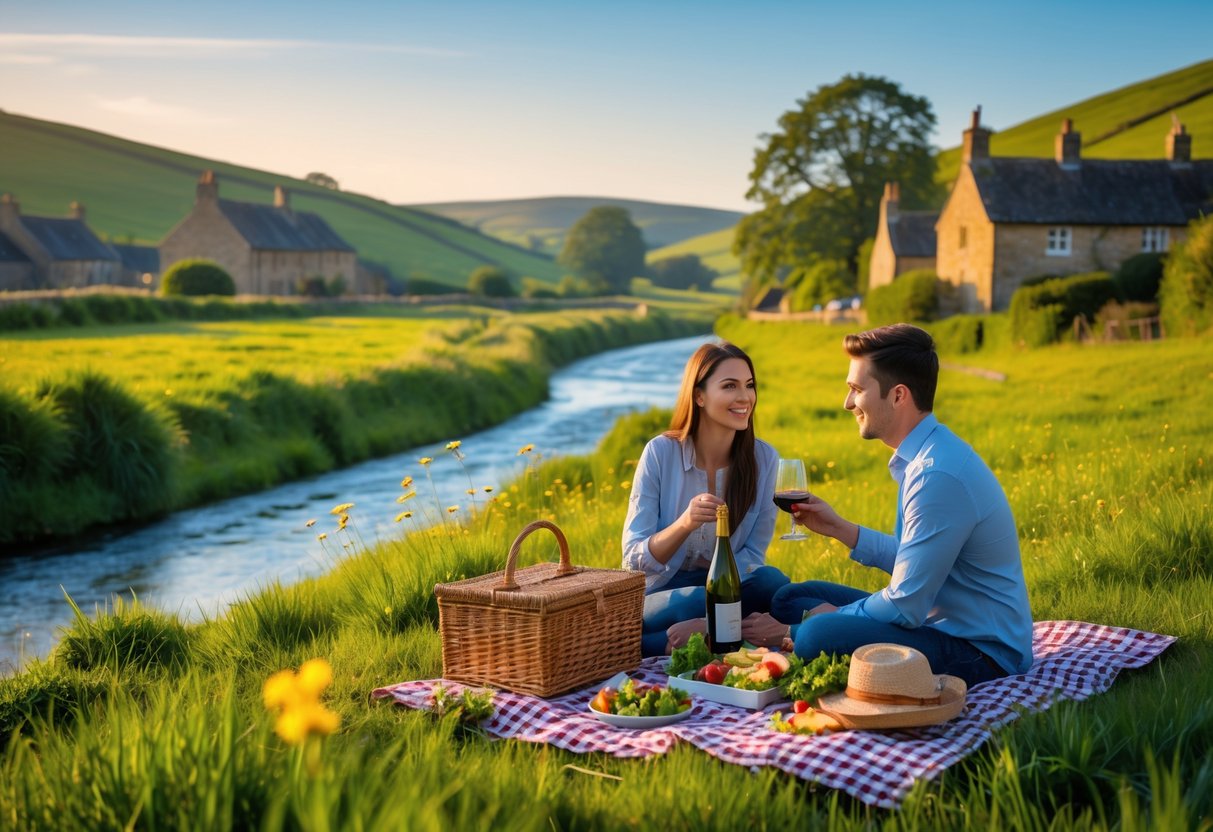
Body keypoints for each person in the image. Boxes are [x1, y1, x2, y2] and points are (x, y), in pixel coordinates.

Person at [769, 324, 1033, 687]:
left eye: (856, 390)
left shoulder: (936, 474)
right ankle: (810, 629)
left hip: (981, 652)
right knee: (791, 597)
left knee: (815, 635)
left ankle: (803, 635)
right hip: (934, 618)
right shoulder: (925, 456)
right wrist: (838, 528)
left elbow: (905, 605)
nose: (847, 403)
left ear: (898, 396)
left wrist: (826, 620)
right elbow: (918, 561)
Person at [623, 341, 789, 656]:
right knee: (697, 600)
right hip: (663, 590)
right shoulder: (660, 453)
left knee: (773, 583)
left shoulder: (764, 459)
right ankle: (721, 634)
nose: (745, 397)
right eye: (730, 386)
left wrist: (717, 574)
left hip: (729, 588)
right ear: (699, 396)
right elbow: (633, 560)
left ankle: (699, 635)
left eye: (749, 386)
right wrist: (684, 524)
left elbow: (754, 554)